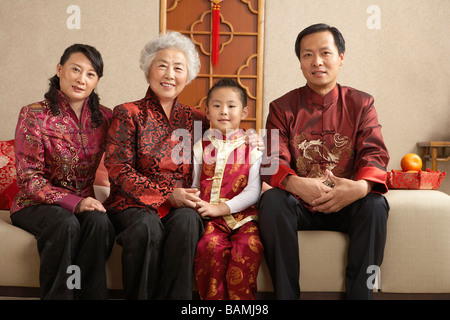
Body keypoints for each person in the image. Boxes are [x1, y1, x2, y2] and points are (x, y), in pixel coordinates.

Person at [258, 23, 390, 300]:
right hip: (300, 205)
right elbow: (270, 160)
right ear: (300, 62)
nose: (316, 61)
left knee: (376, 204)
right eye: (307, 55)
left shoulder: (361, 104)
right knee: (271, 201)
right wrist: (296, 184)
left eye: (325, 53)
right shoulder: (281, 107)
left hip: (348, 204)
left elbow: (374, 153)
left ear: (341, 57)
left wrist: (361, 188)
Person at [103, 31, 209, 300]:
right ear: (148, 69)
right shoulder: (128, 113)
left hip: (181, 206)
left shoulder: (198, 119)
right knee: (146, 225)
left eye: (178, 68)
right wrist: (165, 195)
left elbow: (218, 157)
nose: (169, 74)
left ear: (188, 76)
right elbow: (118, 169)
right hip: (132, 204)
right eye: (162, 65)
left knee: (188, 221)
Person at [11, 44, 115, 300]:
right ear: (60, 70)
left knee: (100, 222)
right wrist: (74, 203)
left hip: (86, 201)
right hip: (34, 204)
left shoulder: (105, 118)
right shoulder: (34, 114)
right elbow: (29, 179)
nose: (81, 79)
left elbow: (128, 155)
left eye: (91, 74)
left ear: (97, 81)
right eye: (75, 69)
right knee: (65, 222)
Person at [193, 78, 264, 300]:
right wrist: (203, 207)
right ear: (207, 111)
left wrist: (222, 208)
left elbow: (253, 191)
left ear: (244, 111)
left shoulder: (253, 147)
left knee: (248, 247)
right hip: (210, 220)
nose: (224, 111)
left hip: (244, 219)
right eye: (216, 105)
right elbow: (194, 184)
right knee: (208, 247)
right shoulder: (199, 147)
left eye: (231, 106)